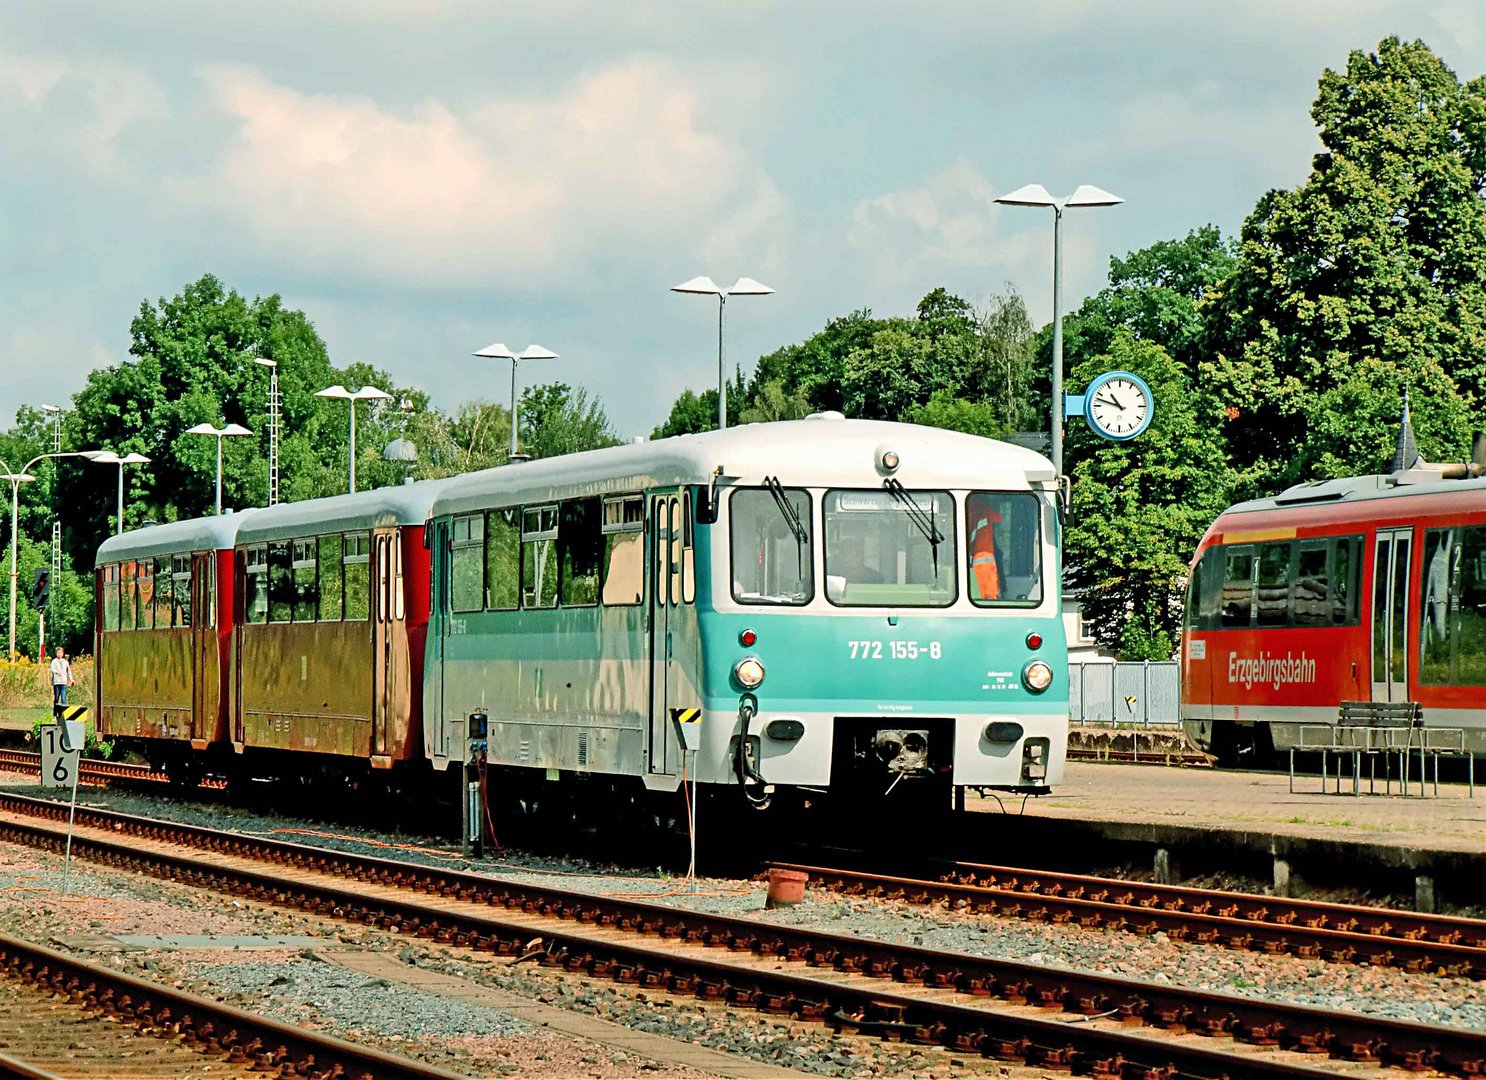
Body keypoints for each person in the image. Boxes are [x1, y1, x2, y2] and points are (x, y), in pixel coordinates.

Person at [967, 495, 1003, 601]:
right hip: (986, 580)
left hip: (981, 576)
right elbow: (999, 518)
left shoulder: (972, 514)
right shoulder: (987, 515)